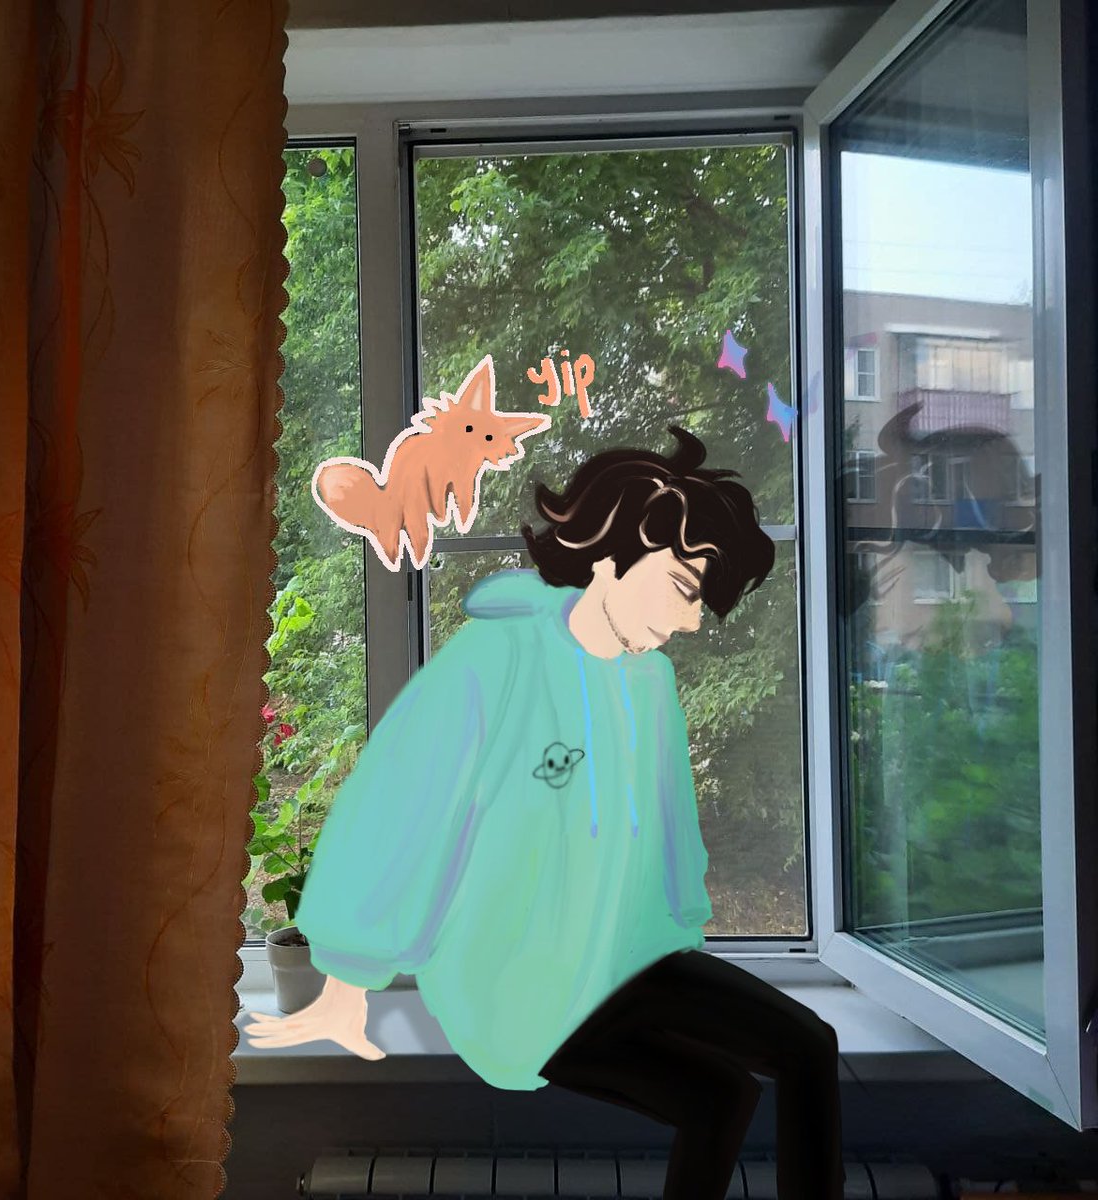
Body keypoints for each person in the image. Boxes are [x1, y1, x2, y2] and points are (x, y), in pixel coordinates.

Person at [246, 426, 846, 1200]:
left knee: (799, 1052)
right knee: (722, 1094)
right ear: (612, 555)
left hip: (625, 957)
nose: (694, 621)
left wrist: (682, 925)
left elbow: (671, 827)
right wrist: (349, 979)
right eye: (684, 588)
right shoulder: (493, 661)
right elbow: (401, 808)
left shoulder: (650, 683)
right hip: (519, 979)